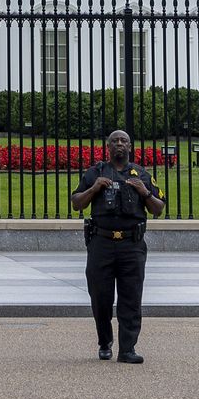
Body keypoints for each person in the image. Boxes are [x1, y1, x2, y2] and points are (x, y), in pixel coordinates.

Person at [70, 129, 165, 364]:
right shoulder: (96, 172)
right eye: (115, 141)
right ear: (108, 146)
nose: (120, 144)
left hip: (131, 245)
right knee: (100, 297)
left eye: (124, 141)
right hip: (101, 243)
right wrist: (94, 189)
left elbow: (158, 208)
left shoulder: (141, 174)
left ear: (130, 147)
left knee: (131, 298)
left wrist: (144, 193)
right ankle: (105, 342)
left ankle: (128, 349)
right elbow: (76, 202)